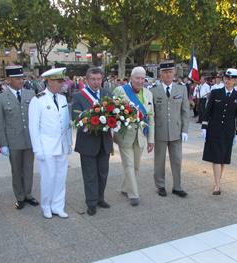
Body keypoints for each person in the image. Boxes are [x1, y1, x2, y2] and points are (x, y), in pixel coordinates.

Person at [29, 67, 72, 219]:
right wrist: (37, 149)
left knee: (61, 177)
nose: (62, 84)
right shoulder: (38, 100)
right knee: (48, 178)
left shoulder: (62, 98)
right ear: (49, 82)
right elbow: (33, 127)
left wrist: (68, 143)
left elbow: (66, 123)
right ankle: (46, 206)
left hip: (61, 145)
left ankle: (58, 206)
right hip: (46, 146)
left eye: (62, 81)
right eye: (59, 81)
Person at [0, 66, 38, 210]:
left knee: (28, 169)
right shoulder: (0, 98)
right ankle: (19, 196)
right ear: (8, 80)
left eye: (22, 78)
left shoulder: (31, 94)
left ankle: (28, 194)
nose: (21, 81)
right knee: (17, 170)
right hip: (13, 141)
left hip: (30, 139)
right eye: (17, 78)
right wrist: (3, 144)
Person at [71, 67, 112, 216]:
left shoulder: (108, 94)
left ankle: (100, 198)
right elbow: (75, 119)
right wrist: (89, 125)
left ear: (102, 79)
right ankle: (91, 203)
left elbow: (113, 113)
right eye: (93, 79)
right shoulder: (79, 96)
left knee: (103, 173)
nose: (96, 82)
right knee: (90, 175)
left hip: (105, 141)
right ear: (87, 80)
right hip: (87, 142)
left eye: (99, 79)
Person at [113, 66, 155, 206]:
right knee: (129, 164)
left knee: (136, 166)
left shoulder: (149, 94)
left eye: (143, 78)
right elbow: (112, 112)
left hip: (141, 135)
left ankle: (125, 188)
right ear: (131, 78)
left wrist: (151, 140)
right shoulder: (120, 91)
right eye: (137, 78)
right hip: (125, 135)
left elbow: (151, 119)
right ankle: (134, 194)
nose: (140, 81)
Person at [200, 68, 237, 195]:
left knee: (223, 158)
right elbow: (208, 111)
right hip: (214, 129)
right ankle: (217, 185)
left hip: (228, 131)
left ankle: (217, 181)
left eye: (231, 79)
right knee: (217, 158)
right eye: (226, 78)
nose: (228, 81)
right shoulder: (215, 92)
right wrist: (204, 128)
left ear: (235, 81)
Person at [150, 60, 189, 198]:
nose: (168, 75)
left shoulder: (181, 88)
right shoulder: (153, 90)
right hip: (159, 131)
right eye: (165, 72)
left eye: (170, 72)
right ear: (160, 74)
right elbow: (151, 113)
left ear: (174, 73)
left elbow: (185, 111)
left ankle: (177, 186)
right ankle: (160, 186)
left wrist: (185, 130)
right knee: (159, 161)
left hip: (176, 131)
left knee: (177, 160)